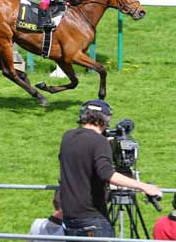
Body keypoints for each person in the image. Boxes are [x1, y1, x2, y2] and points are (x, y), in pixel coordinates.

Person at [59, 99, 162, 237]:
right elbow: (107, 173)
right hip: (92, 218)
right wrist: (144, 186)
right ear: (104, 120)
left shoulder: (67, 136)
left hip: (70, 217)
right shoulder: (99, 141)